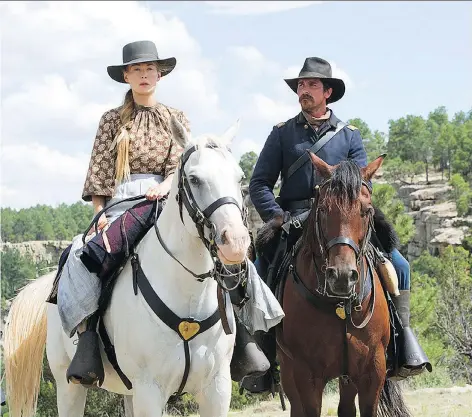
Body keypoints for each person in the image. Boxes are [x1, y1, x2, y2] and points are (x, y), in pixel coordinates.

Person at [56, 40, 278, 388]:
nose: (145, 75)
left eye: (150, 69)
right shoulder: (111, 121)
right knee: (88, 256)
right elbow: (100, 172)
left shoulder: (177, 118)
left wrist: (169, 183)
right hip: (123, 204)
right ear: (126, 76)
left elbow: (187, 164)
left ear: (159, 74)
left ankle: (243, 334)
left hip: (170, 200)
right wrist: (100, 212)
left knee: (226, 251)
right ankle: (88, 340)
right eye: (137, 70)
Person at [248, 57, 431, 382]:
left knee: (399, 266)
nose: (304, 90)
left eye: (311, 85)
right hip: (293, 219)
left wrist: (346, 210)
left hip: (343, 219)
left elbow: (364, 182)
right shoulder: (281, 134)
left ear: (327, 92)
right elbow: (259, 183)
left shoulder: (349, 135)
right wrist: (278, 218)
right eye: (301, 85)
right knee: (260, 268)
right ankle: (261, 357)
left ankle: (403, 345)